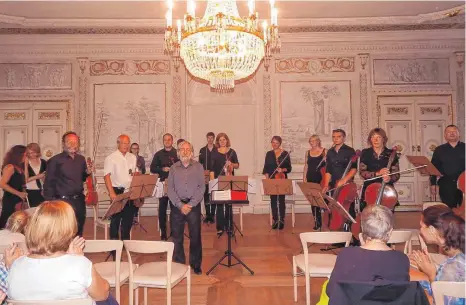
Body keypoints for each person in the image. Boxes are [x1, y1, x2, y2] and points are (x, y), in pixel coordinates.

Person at [6, 201, 116, 305]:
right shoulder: (79, 265)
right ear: (68, 230)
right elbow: (102, 295)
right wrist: (78, 259)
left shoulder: (15, 266)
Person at [326, 205, 410, 304]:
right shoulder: (401, 259)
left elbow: (331, 291)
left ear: (362, 228)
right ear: (390, 231)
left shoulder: (346, 254)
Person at [410, 205, 465, 305]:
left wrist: (431, 274)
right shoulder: (457, 251)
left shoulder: (451, 268)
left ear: (431, 229)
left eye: (422, 226)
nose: (420, 230)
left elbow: (442, 301)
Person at [43, 131, 92, 236]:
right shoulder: (55, 160)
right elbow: (48, 183)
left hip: (79, 200)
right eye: (69, 142)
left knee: (79, 229)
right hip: (62, 201)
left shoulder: (81, 159)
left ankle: (76, 252)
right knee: (64, 231)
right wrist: (50, 203)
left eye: (75, 142)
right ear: (63, 144)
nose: (73, 144)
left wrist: (87, 173)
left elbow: (81, 177)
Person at [167, 141, 205, 275]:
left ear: (192, 152)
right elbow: (170, 189)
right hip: (177, 206)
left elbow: (202, 187)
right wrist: (180, 205)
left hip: (193, 206)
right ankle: (179, 265)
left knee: (195, 236)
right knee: (177, 237)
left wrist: (191, 204)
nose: (185, 151)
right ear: (178, 152)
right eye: (182, 149)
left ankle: (196, 264)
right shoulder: (173, 168)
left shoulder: (199, 167)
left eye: (188, 149)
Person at [321, 129, 357, 231]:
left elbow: (354, 168)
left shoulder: (350, 151)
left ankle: (350, 232)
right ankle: (336, 230)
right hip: (333, 185)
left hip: (346, 184)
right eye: (334, 137)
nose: (336, 139)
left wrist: (344, 180)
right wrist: (326, 184)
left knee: (347, 208)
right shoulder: (330, 152)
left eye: (338, 136)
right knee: (333, 209)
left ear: (344, 138)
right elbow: (328, 170)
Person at [104, 135, 137, 242]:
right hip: (117, 192)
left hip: (129, 192)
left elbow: (133, 173)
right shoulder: (111, 158)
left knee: (128, 220)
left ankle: (125, 244)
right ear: (118, 144)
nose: (126, 146)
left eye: (128, 143)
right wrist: (111, 193)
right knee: (115, 220)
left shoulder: (132, 157)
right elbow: (107, 176)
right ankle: (114, 247)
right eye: (123, 143)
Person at [359, 128, 400, 209]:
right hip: (369, 189)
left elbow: (396, 174)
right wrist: (378, 173)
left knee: (386, 216)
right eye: (373, 137)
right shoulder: (365, 153)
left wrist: (389, 178)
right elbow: (362, 172)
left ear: (383, 139)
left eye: (379, 137)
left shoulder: (391, 153)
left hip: (386, 189)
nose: (375, 140)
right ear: (370, 139)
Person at [150, 133, 179, 240]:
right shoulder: (158, 154)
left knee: (175, 210)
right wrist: (162, 169)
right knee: (162, 210)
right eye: (165, 140)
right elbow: (153, 168)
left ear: (172, 141)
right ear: (163, 141)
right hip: (162, 184)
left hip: (175, 185)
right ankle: (163, 234)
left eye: (169, 140)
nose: (167, 141)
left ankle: (174, 232)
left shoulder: (177, 153)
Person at [210, 132, 239, 236]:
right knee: (219, 205)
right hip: (218, 180)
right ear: (218, 141)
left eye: (224, 139)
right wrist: (213, 183)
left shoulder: (232, 152)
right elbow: (212, 170)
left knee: (228, 205)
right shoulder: (214, 152)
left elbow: (237, 165)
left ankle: (229, 226)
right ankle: (220, 227)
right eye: (220, 140)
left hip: (229, 179)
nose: (222, 141)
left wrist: (231, 164)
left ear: (227, 140)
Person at [430, 125, 465, 209]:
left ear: (459, 134)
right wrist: (433, 183)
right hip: (446, 183)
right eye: (449, 132)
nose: (452, 133)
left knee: (464, 208)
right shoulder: (439, 150)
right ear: (445, 135)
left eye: (454, 131)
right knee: (448, 209)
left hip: (464, 183)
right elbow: (433, 167)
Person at [262, 136, 292, 230]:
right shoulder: (269, 154)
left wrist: (282, 169)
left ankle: (281, 220)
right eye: (273, 142)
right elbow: (266, 168)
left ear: (280, 143)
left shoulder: (285, 153)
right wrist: (267, 180)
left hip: (282, 178)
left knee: (281, 200)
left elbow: (289, 168)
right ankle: (275, 220)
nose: (274, 144)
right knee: (273, 200)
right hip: (271, 179)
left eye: (276, 143)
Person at [0, 145, 28, 229]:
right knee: (7, 221)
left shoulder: (19, 168)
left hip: (18, 200)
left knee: (17, 223)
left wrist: (26, 165)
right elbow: (2, 184)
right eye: (25, 154)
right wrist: (19, 193)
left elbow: (25, 181)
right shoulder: (10, 167)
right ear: (19, 155)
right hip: (10, 199)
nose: (26, 157)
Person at [303, 135, 326, 230]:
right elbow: (306, 166)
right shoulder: (307, 152)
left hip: (321, 179)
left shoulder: (325, 151)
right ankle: (317, 222)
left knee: (323, 200)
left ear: (318, 141)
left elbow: (329, 166)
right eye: (310, 141)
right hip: (310, 178)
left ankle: (327, 221)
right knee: (313, 202)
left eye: (313, 141)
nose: (311, 143)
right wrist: (304, 178)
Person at [199, 132, 217, 224]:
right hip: (205, 176)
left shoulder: (217, 149)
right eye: (208, 138)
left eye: (211, 138)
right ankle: (207, 215)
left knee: (213, 195)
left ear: (213, 139)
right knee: (206, 195)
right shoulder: (202, 150)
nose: (210, 139)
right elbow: (200, 164)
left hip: (215, 175)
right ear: (206, 138)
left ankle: (212, 215)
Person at [25, 143, 47, 207]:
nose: (31, 155)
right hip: (30, 191)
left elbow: (46, 179)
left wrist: (43, 179)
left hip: (42, 191)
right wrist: (37, 177)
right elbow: (25, 180)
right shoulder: (26, 163)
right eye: (29, 153)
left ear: (37, 152)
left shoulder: (43, 162)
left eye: (33, 152)